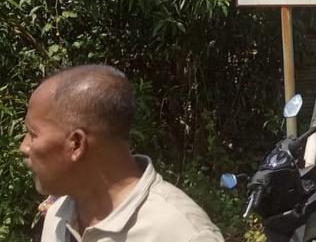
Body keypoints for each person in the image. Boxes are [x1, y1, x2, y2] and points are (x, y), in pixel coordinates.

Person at [22, 65, 224, 242]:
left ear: (76, 144)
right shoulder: (60, 215)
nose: (23, 147)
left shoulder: (182, 233)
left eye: (33, 134)